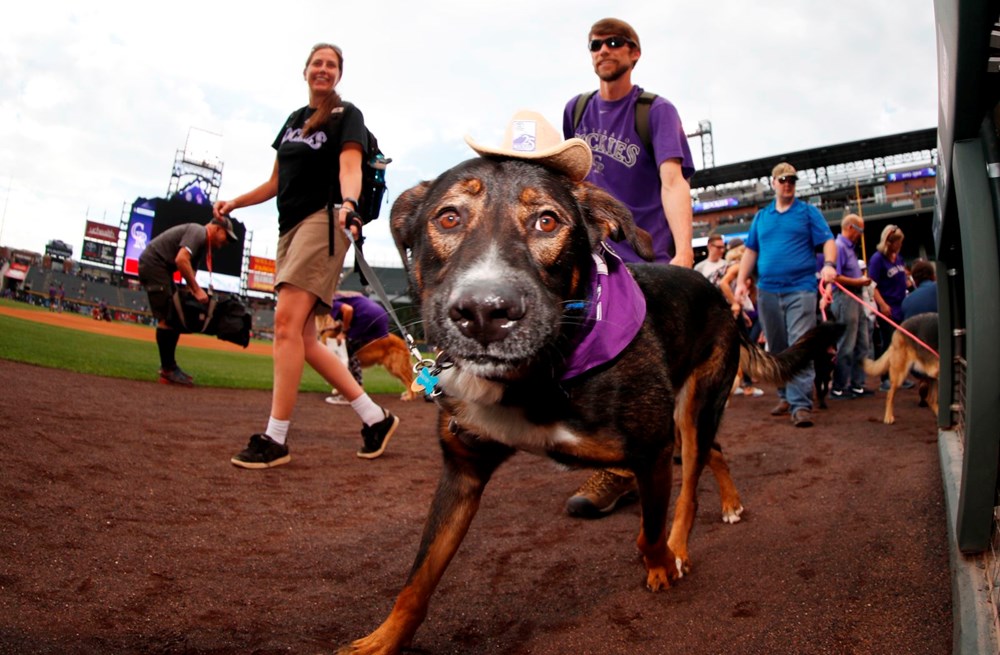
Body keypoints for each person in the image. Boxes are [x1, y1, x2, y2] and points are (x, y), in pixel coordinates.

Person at [216, 42, 398, 469]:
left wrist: (349, 205)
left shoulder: (346, 114)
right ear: (305, 71)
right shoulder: (293, 123)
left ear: (338, 74)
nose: (323, 69)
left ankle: (275, 437)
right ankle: (375, 418)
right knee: (303, 339)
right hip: (289, 229)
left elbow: (349, 167)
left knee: (284, 325)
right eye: (317, 63)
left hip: (325, 221)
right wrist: (235, 203)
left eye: (331, 64)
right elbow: (275, 182)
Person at [561, 17, 696, 517]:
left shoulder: (655, 111)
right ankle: (635, 455)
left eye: (615, 43)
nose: (604, 50)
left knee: (631, 372)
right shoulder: (576, 110)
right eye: (596, 44)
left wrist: (683, 253)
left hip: (643, 262)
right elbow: (572, 179)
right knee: (590, 365)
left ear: (635, 53)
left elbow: (673, 181)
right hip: (592, 258)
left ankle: (620, 472)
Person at [734, 162, 837, 428]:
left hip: (801, 289)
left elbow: (828, 240)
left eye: (791, 179)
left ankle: (800, 404)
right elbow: (750, 251)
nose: (787, 183)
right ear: (773, 183)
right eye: (782, 180)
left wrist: (829, 264)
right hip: (768, 291)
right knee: (777, 348)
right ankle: (785, 396)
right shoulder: (762, 216)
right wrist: (742, 282)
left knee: (799, 344)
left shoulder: (807, 212)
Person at [138, 215, 238, 386]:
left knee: (175, 316)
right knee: (168, 318)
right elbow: (181, 259)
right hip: (155, 265)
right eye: (226, 237)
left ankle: (170, 368)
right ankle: (168, 370)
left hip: (160, 268)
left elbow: (190, 273)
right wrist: (197, 290)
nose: (226, 242)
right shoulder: (199, 232)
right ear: (217, 229)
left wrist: (194, 292)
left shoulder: (201, 246)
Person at [828, 214, 873, 400]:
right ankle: (838, 387)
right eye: (860, 230)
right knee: (846, 345)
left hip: (856, 298)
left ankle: (857, 385)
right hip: (845, 298)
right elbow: (834, 277)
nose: (861, 235)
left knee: (863, 344)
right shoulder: (838, 247)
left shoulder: (849, 248)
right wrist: (858, 281)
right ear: (850, 228)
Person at [323, 291, 391, 404]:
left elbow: (348, 310)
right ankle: (357, 389)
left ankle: (352, 394)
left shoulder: (331, 301)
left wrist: (344, 332)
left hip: (366, 318)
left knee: (348, 355)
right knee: (352, 353)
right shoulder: (345, 295)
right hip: (380, 316)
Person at [868, 224, 909, 391]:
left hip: (901, 306)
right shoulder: (877, 259)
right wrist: (882, 305)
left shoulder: (898, 258)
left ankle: (899, 375)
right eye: (897, 242)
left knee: (901, 343)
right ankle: (885, 378)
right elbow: (872, 284)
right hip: (887, 308)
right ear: (889, 242)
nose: (900, 245)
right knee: (888, 343)